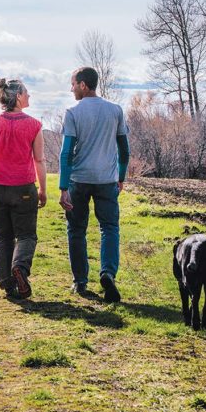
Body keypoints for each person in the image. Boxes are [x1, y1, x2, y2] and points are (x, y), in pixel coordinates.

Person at [59, 67, 130, 302]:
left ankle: (80, 280)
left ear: (83, 85)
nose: (71, 89)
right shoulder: (115, 110)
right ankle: (108, 272)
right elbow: (124, 149)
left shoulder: (72, 112)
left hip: (79, 180)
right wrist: (121, 176)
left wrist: (63, 188)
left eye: (73, 84)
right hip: (106, 180)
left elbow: (67, 153)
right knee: (109, 228)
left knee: (76, 229)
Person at [0, 78, 48, 299]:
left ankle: (8, 284)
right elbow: (40, 160)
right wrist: (43, 190)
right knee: (26, 236)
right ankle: (20, 268)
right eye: (26, 92)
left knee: (2, 238)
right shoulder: (34, 125)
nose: (29, 96)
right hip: (24, 189)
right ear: (17, 96)